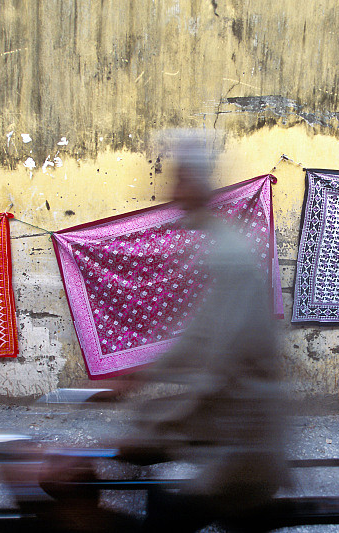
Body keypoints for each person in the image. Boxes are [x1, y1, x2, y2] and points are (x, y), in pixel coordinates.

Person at [117, 131, 289, 531]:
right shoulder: (215, 247)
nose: (173, 193)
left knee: (170, 516)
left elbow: (220, 368)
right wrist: (141, 378)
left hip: (244, 434)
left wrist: (165, 424)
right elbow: (199, 337)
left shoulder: (228, 256)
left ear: (199, 186)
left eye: (181, 180)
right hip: (230, 419)